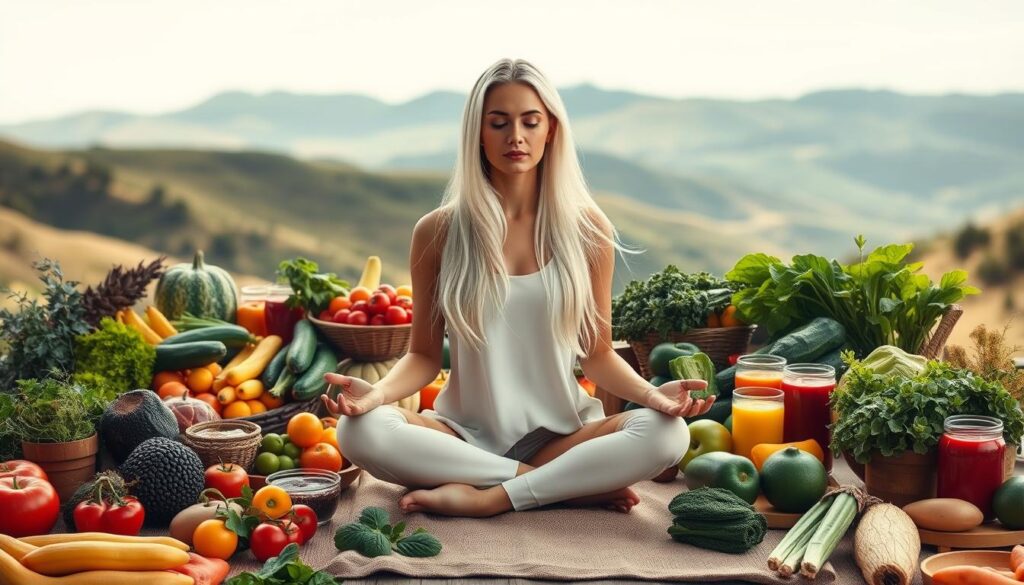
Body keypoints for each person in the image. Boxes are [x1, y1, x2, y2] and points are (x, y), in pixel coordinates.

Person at [321, 58, 714, 518]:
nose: (516, 137)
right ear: (478, 134)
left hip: (561, 437)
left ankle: (490, 497)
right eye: (499, 123)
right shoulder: (438, 232)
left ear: (551, 130)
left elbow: (598, 354)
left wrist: (653, 396)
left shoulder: (587, 230)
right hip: (461, 438)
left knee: (668, 434)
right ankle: (554, 488)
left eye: (531, 121)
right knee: (357, 432)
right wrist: (374, 397)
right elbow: (423, 357)